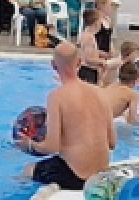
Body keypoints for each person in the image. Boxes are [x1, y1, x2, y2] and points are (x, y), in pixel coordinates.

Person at [17, 41, 116, 190]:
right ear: (79, 63)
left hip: (77, 177)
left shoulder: (57, 97)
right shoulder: (101, 93)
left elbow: (51, 147)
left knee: (29, 170)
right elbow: (112, 143)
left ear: (53, 65)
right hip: (100, 174)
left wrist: (29, 144)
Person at [103, 61, 139, 126]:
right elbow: (132, 120)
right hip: (103, 120)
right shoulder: (132, 94)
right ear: (135, 80)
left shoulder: (111, 86)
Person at [75, 9, 105, 84]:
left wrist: (102, 53)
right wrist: (104, 62)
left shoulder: (85, 34)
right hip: (88, 72)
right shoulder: (89, 37)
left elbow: (86, 52)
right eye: (100, 21)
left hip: (86, 70)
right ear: (96, 23)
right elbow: (88, 59)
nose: (101, 24)